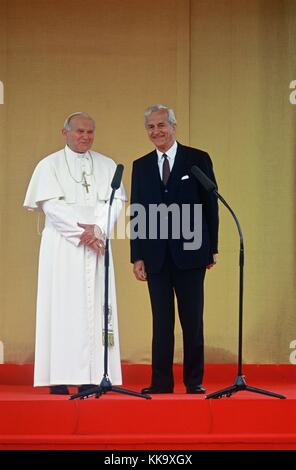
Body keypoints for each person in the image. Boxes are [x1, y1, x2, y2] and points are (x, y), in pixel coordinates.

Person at [24, 112, 127, 394]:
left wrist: (98, 229)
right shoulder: (49, 166)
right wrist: (81, 232)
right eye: (79, 131)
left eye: (90, 132)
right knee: (62, 307)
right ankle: (59, 377)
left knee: (96, 309)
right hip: (62, 246)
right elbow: (50, 205)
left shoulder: (106, 165)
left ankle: (93, 375)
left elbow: (115, 201)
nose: (85, 137)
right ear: (65, 132)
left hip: (97, 243)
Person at [130, 104, 219, 394]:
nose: (156, 132)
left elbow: (210, 206)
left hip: (191, 252)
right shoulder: (140, 165)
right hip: (155, 256)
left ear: (173, 126)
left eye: (161, 125)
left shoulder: (197, 159)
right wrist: (137, 255)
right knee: (162, 322)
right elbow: (138, 211)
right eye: (151, 127)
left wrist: (212, 248)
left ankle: (194, 381)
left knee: (192, 320)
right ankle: (161, 382)